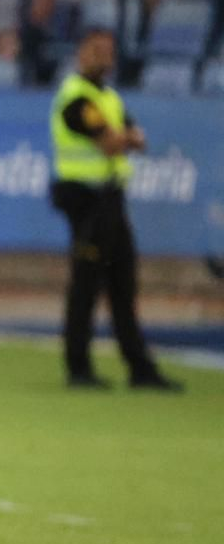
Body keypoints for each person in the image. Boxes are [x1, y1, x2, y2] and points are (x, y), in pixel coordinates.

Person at [49, 30, 181, 392]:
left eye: (108, 51)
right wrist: (126, 139)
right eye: (96, 50)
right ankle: (78, 366)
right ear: (81, 53)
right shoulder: (77, 99)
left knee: (123, 282)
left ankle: (139, 367)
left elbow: (135, 135)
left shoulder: (106, 97)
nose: (103, 58)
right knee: (86, 283)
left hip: (110, 199)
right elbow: (113, 143)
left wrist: (127, 138)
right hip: (87, 200)